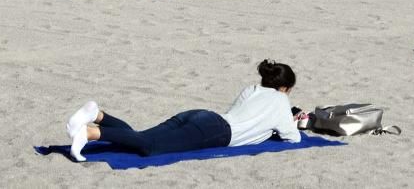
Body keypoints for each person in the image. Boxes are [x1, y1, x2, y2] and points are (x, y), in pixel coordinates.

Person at [65, 60, 300, 161]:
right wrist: (290, 119)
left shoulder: (253, 89)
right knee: (150, 147)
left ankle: (98, 115)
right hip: (217, 132)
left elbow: (242, 113)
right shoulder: (281, 101)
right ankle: (91, 132)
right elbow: (293, 137)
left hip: (205, 116)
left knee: (140, 138)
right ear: (285, 87)